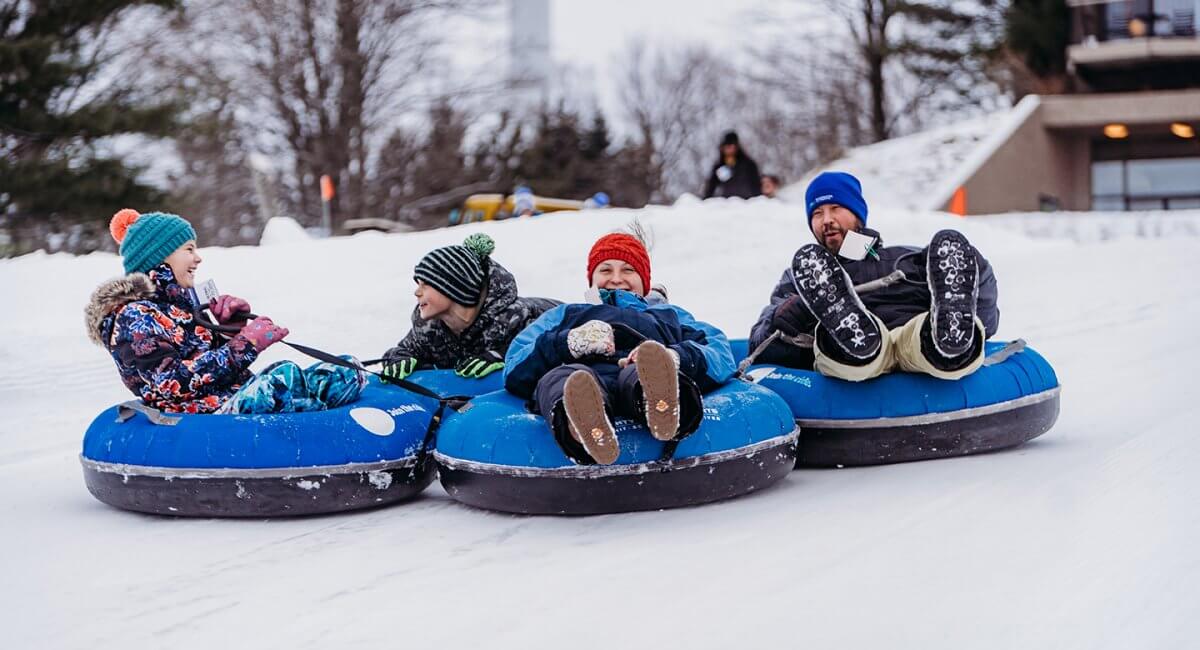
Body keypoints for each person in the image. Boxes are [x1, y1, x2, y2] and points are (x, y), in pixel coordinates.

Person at [86, 209, 365, 415]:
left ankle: (323, 417)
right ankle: (320, 428)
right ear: (159, 257)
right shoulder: (135, 317)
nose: (198, 257)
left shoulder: (183, 307)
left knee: (344, 369)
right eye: (189, 249)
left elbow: (214, 365)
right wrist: (246, 344)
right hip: (197, 417)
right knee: (277, 384)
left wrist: (231, 326)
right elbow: (172, 383)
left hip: (230, 397)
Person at [503, 233, 736, 465]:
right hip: (587, 376)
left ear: (644, 280)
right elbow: (515, 362)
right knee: (565, 379)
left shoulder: (669, 315)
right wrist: (569, 342)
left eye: (628, 270)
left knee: (646, 371)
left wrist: (675, 356)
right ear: (591, 279)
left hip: (637, 374)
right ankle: (581, 425)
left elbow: (719, 351)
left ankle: (665, 406)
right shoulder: (568, 314)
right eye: (605, 270)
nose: (616, 279)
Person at [748, 172, 999, 381]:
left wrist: (977, 271)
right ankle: (850, 331)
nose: (827, 220)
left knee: (922, 337)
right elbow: (761, 347)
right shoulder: (802, 279)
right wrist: (779, 318)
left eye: (836, 208)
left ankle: (943, 343)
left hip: (913, 338)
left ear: (858, 214)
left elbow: (986, 320)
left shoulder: (908, 259)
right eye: (817, 213)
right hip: (855, 358)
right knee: (845, 350)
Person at [380, 233, 558, 381]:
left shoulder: (515, 318)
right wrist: (399, 358)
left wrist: (503, 355)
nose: (417, 292)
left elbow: (551, 346)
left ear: (454, 286)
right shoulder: (429, 327)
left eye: (426, 284)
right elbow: (406, 348)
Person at [702, 131, 762, 200]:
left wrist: (758, 202)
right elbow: (711, 186)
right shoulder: (719, 166)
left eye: (731, 146)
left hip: (746, 202)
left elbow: (756, 184)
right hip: (727, 203)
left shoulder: (748, 164)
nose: (729, 149)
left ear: (737, 147)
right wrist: (705, 201)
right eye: (726, 147)